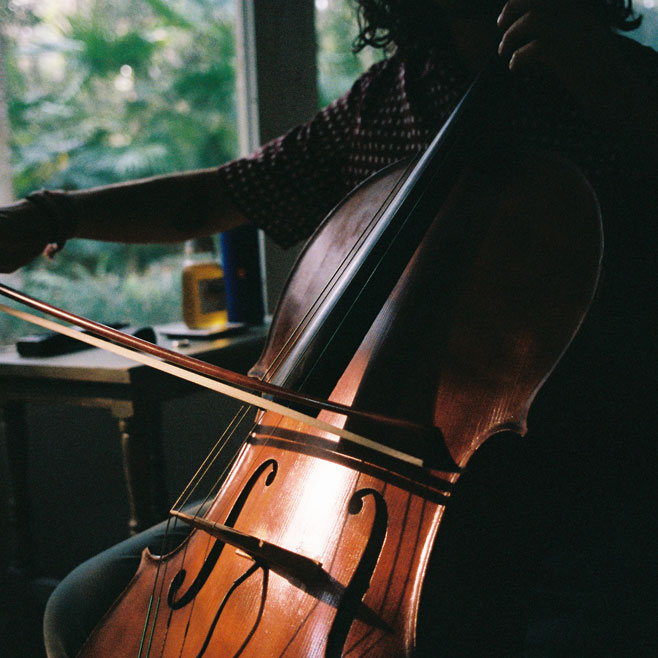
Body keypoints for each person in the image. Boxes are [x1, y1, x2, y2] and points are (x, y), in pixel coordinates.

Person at [1, 1, 656, 656]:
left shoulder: (623, 83)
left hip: (574, 485)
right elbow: (224, 194)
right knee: (83, 606)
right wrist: (50, 217)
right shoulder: (390, 98)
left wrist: (623, 96)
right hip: (343, 491)